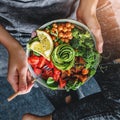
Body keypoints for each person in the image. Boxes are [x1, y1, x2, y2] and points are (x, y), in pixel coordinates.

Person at [3, 0, 119, 120]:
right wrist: (12, 46)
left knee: (72, 110)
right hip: (28, 33)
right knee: (71, 104)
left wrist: (88, 8)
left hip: (86, 7)